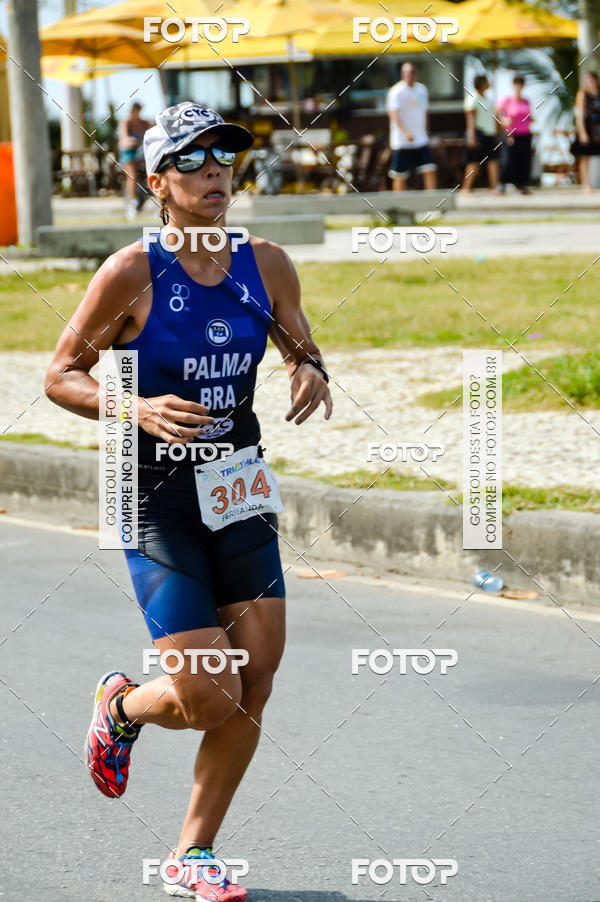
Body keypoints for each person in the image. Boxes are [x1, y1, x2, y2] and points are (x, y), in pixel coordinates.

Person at [44, 101, 333, 901]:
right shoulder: (131, 273)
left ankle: (192, 853)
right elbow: (60, 373)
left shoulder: (265, 262)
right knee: (211, 694)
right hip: (149, 495)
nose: (216, 171)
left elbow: (299, 340)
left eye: (224, 157)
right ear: (158, 181)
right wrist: (129, 405)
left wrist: (310, 368)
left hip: (236, 483)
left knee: (259, 675)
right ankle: (126, 704)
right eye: (195, 159)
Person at [386, 61, 437, 191]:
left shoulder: (422, 89)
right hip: (402, 141)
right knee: (400, 175)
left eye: (412, 73)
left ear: (416, 74)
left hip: (421, 139)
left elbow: (425, 112)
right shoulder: (396, 91)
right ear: (402, 75)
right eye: (406, 73)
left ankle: (433, 204)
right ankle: (398, 204)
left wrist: (426, 131)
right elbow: (393, 114)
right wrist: (405, 132)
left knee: (429, 169)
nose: (409, 76)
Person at [462, 74, 500, 192]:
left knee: (493, 161)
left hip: (489, 134)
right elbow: (470, 119)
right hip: (478, 134)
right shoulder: (473, 98)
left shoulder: (488, 99)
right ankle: (466, 188)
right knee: (473, 163)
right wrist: (472, 136)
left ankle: (494, 187)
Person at [497, 75, 533, 194]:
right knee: (508, 160)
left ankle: (522, 184)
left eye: (520, 83)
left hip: (525, 134)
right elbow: (498, 113)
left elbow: (528, 115)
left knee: (524, 160)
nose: (518, 86)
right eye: (516, 83)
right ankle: (501, 183)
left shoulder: (526, 101)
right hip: (511, 135)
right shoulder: (507, 101)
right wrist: (504, 121)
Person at [118, 101, 152, 219]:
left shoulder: (145, 123)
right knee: (131, 174)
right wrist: (132, 141)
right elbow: (124, 139)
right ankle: (133, 202)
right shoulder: (126, 122)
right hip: (129, 153)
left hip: (142, 153)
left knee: (156, 170)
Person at [572, 70, 600, 192]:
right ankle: (586, 184)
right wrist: (582, 132)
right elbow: (579, 116)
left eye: (590, 79)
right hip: (587, 129)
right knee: (585, 157)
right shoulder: (582, 94)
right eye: (586, 80)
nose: (588, 82)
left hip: (598, 128)